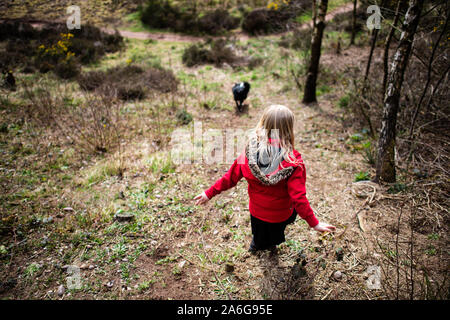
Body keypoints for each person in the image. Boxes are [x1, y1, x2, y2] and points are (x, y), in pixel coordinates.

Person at [194, 105, 336, 252]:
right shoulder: (293, 162)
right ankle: (264, 246)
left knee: (259, 234)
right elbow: (298, 198)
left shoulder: (249, 154)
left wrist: (208, 193)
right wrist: (314, 223)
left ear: (263, 125)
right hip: (280, 215)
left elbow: (230, 178)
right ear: (288, 130)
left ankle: (257, 245)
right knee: (276, 232)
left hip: (257, 212)